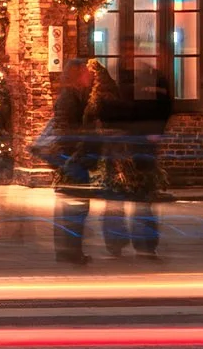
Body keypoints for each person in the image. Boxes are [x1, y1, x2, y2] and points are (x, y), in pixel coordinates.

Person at [102, 59, 173, 258]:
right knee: (120, 196)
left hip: (138, 145)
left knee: (139, 195)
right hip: (123, 146)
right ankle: (123, 242)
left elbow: (164, 107)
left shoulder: (149, 79)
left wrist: (155, 132)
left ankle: (142, 243)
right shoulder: (116, 79)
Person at [41, 55, 102, 264]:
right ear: (77, 75)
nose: (90, 74)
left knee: (74, 208)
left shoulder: (76, 96)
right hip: (72, 160)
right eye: (85, 70)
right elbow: (67, 131)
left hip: (74, 159)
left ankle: (69, 251)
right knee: (75, 208)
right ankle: (70, 252)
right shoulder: (69, 98)